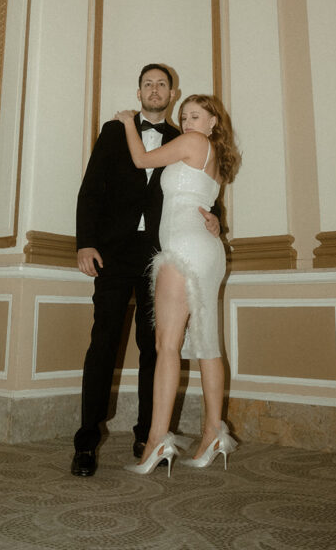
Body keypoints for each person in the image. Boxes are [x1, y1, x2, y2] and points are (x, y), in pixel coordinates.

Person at [71, 65, 221, 477]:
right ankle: (86, 442)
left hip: (164, 253)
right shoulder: (114, 131)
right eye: (147, 83)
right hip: (113, 253)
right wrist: (85, 242)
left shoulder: (186, 137)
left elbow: (203, 193)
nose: (154, 89)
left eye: (162, 84)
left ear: (173, 93)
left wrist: (216, 221)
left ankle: (147, 434)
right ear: (138, 91)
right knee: (103, 343)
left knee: (157, 347)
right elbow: (90, 188)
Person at [115, 93, 241, 476]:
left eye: (196, 115)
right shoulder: (214, 157)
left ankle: (156, 441)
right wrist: (217, 223)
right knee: (206, 345)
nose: (187, 121)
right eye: (184, 115)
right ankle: (212, 433)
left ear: (212, 122)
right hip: (207, 249)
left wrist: (126, 121)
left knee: (165, 345)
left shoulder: (193, 143)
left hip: (183, 248)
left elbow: (140, 160)